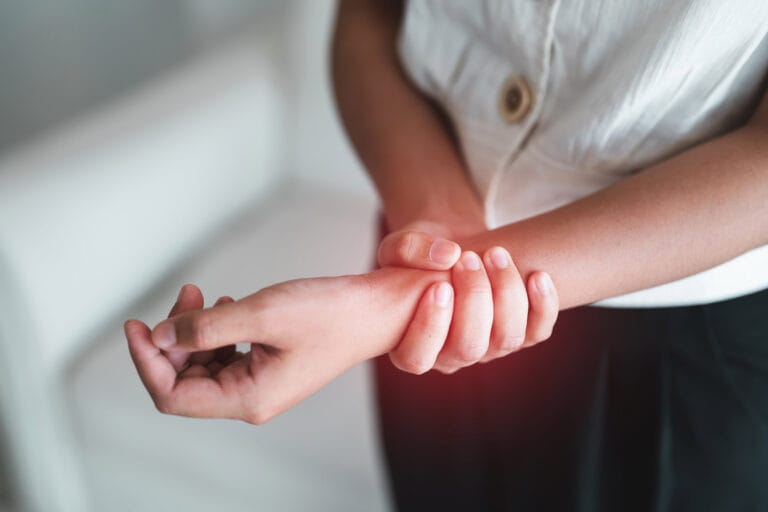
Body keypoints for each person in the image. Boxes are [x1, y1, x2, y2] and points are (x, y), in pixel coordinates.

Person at [126, 0, 768, 510]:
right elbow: (369, 17)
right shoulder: (414, 290)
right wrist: (441, 237)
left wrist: (403, 300)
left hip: (679, 359)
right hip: (419, 283)